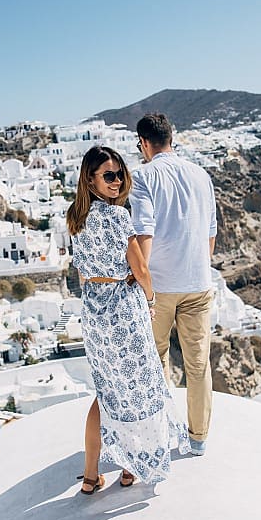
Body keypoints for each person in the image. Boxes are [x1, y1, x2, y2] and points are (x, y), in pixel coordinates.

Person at [67, 145, 190, 494]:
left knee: (107, 392)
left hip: (94, 310)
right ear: (90, 181)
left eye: (120, 173)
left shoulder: (74, 219)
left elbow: (81, 270)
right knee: (138, 390)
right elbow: (141, 269)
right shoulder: (119, 218)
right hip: (123, 309)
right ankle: (130, 468)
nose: (118, 181)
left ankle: (91, 477)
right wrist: (150, 299)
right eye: (109, 175)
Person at [130, 112, 217, 455]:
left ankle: (162, 434)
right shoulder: (201, 174)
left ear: (145, 143)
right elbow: (210, 235)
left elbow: (144, 234)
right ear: (172, 137)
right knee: (198, 364)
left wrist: (143, 283)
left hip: (161, 288)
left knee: (156, 360)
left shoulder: (143, 177)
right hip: (199, 283)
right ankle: (198, 440)